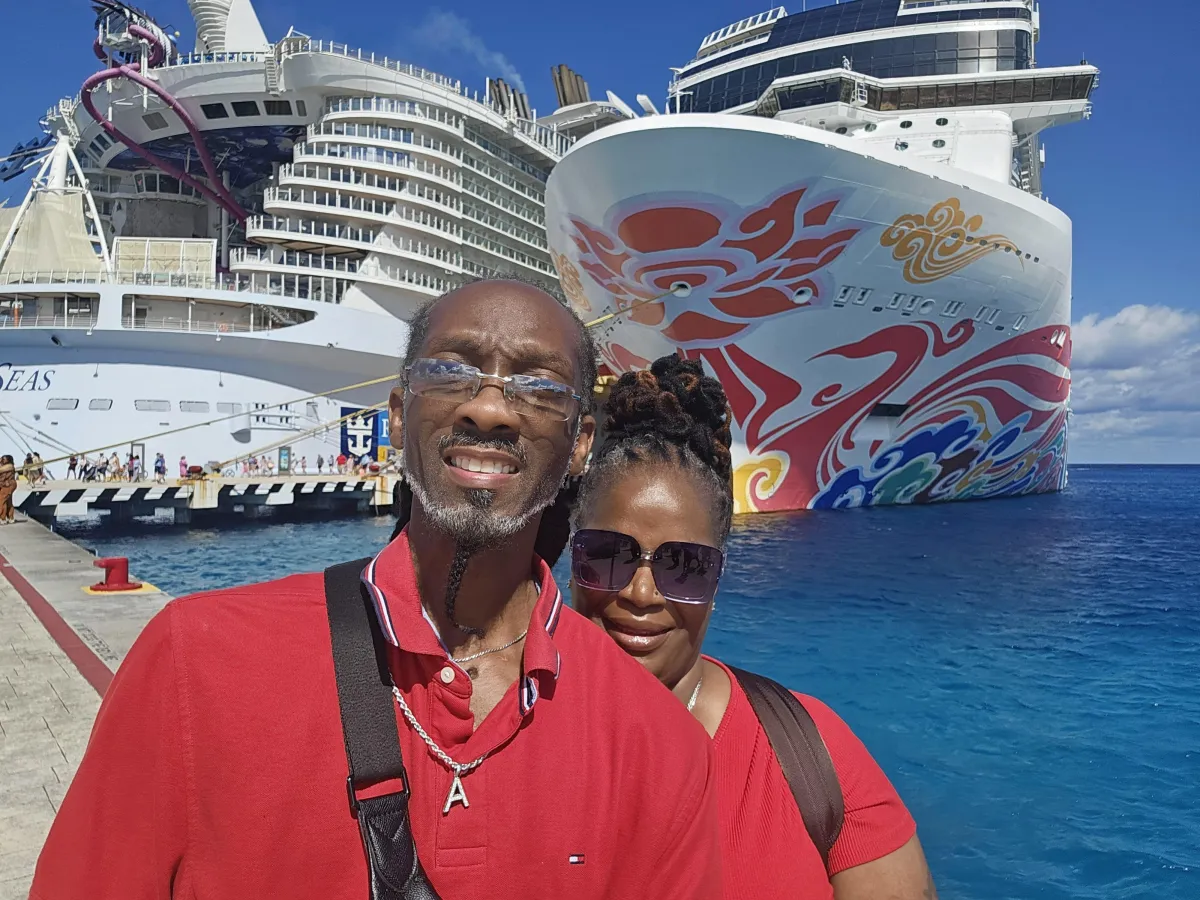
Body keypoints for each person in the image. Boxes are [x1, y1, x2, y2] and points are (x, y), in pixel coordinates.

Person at [32, 279, 721, 900]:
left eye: (537, 385)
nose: (489, 408)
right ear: (397, 414)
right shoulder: (195, 662)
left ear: (579, 445)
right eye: (451, 370)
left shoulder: (657, 744)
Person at [568, 355, 938, 900]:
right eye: (607, 555)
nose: (641, 594)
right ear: (571, 557)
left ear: (717, 579)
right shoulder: (495, 730)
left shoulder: (810, 756)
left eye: (684, 566)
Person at [0, 455, 17, 523]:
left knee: (2, 500)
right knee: (8, 501)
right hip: (6, 485)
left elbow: (1, 470)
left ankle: (2, 518)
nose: (2, 460)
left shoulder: (9, 466)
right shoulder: (5, 466)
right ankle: (10, 517)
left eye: (4, 459)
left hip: (8, 485)